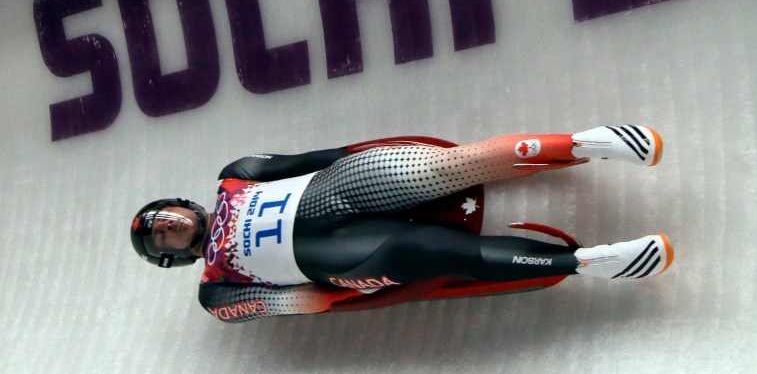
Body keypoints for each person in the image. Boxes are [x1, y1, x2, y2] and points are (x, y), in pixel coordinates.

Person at [131, 125, 674, 323]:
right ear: (172, 256)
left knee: (451, 164)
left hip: (342, 187)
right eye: (164, 234)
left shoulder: (235, 175)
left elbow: (321, 156)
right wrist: (353, 291)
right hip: (338, 254)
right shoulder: (215, 291)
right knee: (427, 251)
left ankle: (583, 142)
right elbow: (296, 303)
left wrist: (377, 151)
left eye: (168, 216)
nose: (174, 226)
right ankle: (586, 263)